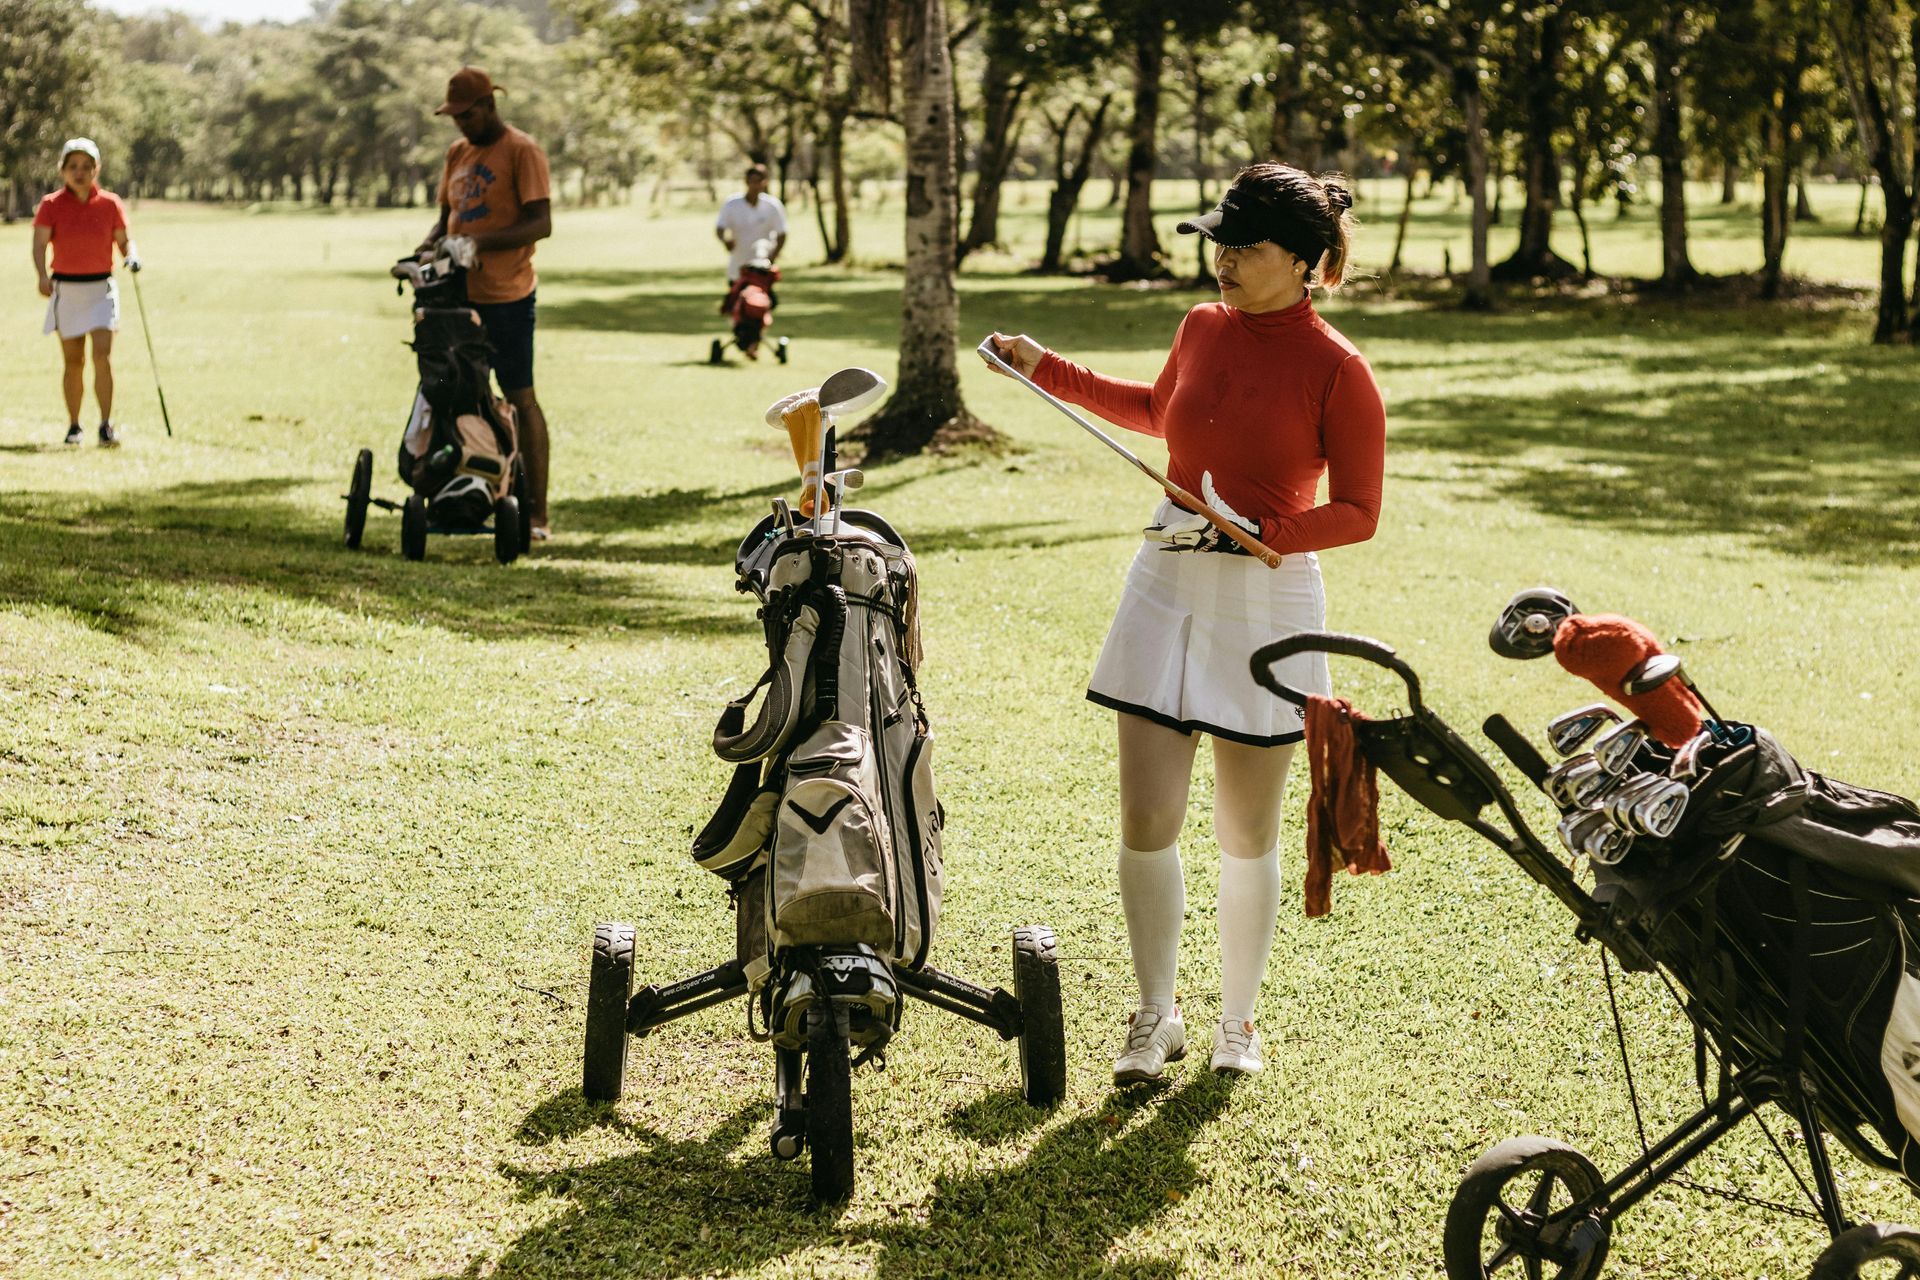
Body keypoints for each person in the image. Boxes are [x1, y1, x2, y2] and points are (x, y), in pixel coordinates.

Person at [983, 162, 1386, 1081]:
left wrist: (1269, 533)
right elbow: (1161, 413)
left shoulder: (1340, 370)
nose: (1224, 261)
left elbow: (1359, 510)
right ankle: (1155, 1016)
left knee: (1247, 832)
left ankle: (1236, 1024)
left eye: (1247, 247)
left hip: (1269, 599)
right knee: (1147, 817)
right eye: (1220, 242)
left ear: (1310, 260)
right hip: (1165, 580)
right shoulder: (1202, 325)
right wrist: (1048, 369)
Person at [415, 66, 554, 539]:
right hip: (457, 298)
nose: (460, 124)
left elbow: (540, 223)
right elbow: (445, 221)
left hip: (507, 296)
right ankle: (462, 489)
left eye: (466, 114)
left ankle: (536, 512)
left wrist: (478, 245)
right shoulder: (458, 152)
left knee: (520, 398)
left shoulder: (521, 150)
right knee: (452, 392)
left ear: (489, 105)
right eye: (453, 116)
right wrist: (428, 248)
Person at [31, 138, 139, 447]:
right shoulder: (51, 204)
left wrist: (130, 255)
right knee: (74, 361)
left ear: (96, 169)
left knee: (102, 357)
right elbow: (39, 244)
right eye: (73, 167)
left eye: (86, 167)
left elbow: (124, 241)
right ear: (63, 170)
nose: (80, 173)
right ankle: (74, 425)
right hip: (67, 290)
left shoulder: (110, 203)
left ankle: (106, 425)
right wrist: (41, 275)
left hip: (101, 289)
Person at [715, 163, 786, 308]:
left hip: (762, 267)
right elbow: (720, 227)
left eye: (759, 181)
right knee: (737, 306)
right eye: (752, 181)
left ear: (765, 182)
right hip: (738, 265)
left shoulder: (772, 205)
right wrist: (725, 240)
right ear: (746, 181)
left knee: (761, 306)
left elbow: (782, 233)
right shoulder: (732, 204)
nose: (755, 185)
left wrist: (773, 257)